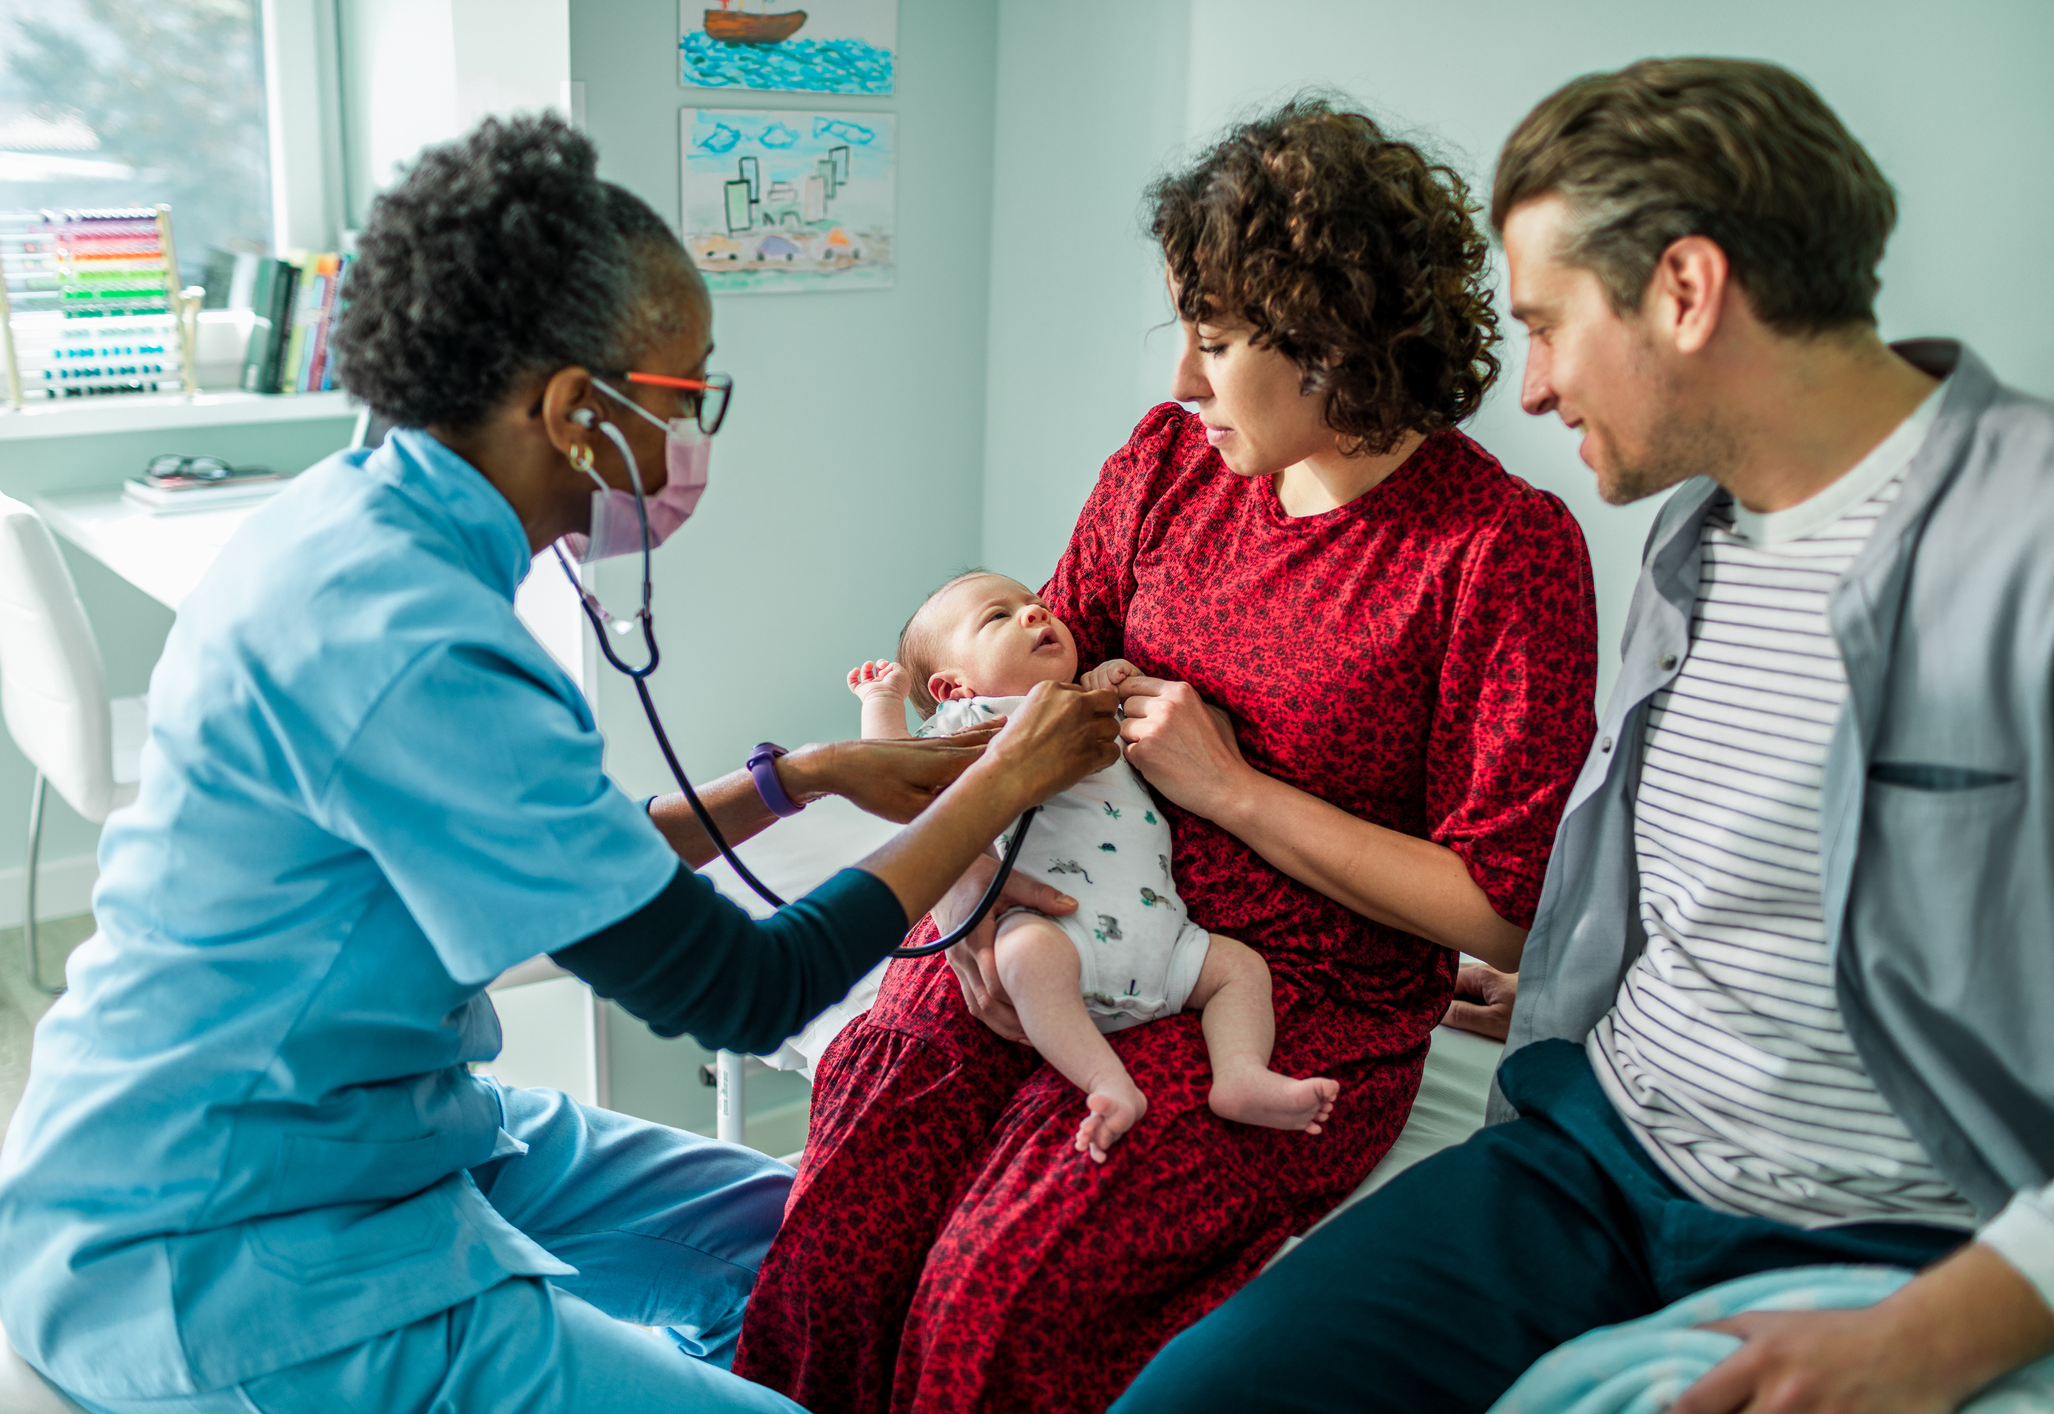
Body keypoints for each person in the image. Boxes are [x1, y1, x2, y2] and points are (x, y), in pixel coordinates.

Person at [0, 115, 1119, 1414]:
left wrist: (801, 776)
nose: (697, 439)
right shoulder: (403, 638)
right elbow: (746, 988)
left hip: (388, 1123)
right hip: (218, 1237)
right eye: (688, 398)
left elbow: (557, 854)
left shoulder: (367, 520)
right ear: (577, 413)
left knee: (837, 1231)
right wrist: (1001, 778)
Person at [1113, 58, 2054, 1414]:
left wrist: (1939, 1334)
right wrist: (1577, 958)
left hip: (1887, 1238)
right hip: (1595, 1158)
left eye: (1547, 326)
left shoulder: (2020, 538)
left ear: (1683, 292)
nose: (1534, 388)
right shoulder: (1698, 542)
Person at [734, 99, 1599, 1414]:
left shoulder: (1497, 551)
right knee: (853, 1179)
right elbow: (1023, 698)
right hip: (1053, 914)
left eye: (1213, 341)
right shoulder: (1165, 466)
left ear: (1331, 340)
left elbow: (1505, 904)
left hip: (1277, 993)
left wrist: (1234, 792)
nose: (1184, 382)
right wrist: (959, 879)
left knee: (994, 1284)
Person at [849, 572, 1340, 1162]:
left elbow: (1191, 732)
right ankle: (1106, 1083)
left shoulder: (1095, 701)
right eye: (998, 617)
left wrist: (1122, 682)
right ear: (953, 688)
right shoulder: (974, 722)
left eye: (1034, 604)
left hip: (1165, 936)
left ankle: (1240, 1075)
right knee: (1024, 955)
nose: (1035, 614)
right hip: (1061, 929)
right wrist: (881, 703)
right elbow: (894, 773)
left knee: (1241, 971)